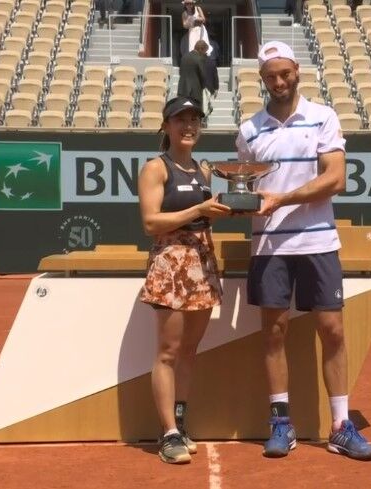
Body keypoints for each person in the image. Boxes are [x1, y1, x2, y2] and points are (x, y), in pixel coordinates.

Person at [235, 41, 371, 461]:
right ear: (262, 79)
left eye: (285, 74)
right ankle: (281, 423)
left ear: (297, 71)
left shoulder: (323, 117)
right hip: (269, 245)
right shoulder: (248, 130)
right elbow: (247, 187)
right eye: (271, 76)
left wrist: (281, 199)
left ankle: (340, 426)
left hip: (318, 241)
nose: (279, 82)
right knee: (273, 332)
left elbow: (336, 179)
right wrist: (240, 201)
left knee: (332, 331)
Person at [138, 96, 231, 464]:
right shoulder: (155, 168)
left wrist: (220, 212)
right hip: (171, 264)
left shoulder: (203, 170)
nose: (189, 127)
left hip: (202, 263)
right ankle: (167, 434)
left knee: (190, 351)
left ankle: (180, 423)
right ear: (166, 126)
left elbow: (202, 219)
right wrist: (198, 209)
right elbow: (151, 222)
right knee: (168, 352)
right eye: (181, 120)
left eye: (194, 120)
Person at [178, 40, 209, 114]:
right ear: (201, 49)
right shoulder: (199, 59)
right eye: (205, 51)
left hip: (182, 90)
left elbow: (180, 71)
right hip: (195, 92)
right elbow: (203, 75)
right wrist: (204, 86)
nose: (205, 53)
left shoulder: (184, 57)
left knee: (183, 112)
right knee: (195, 114)